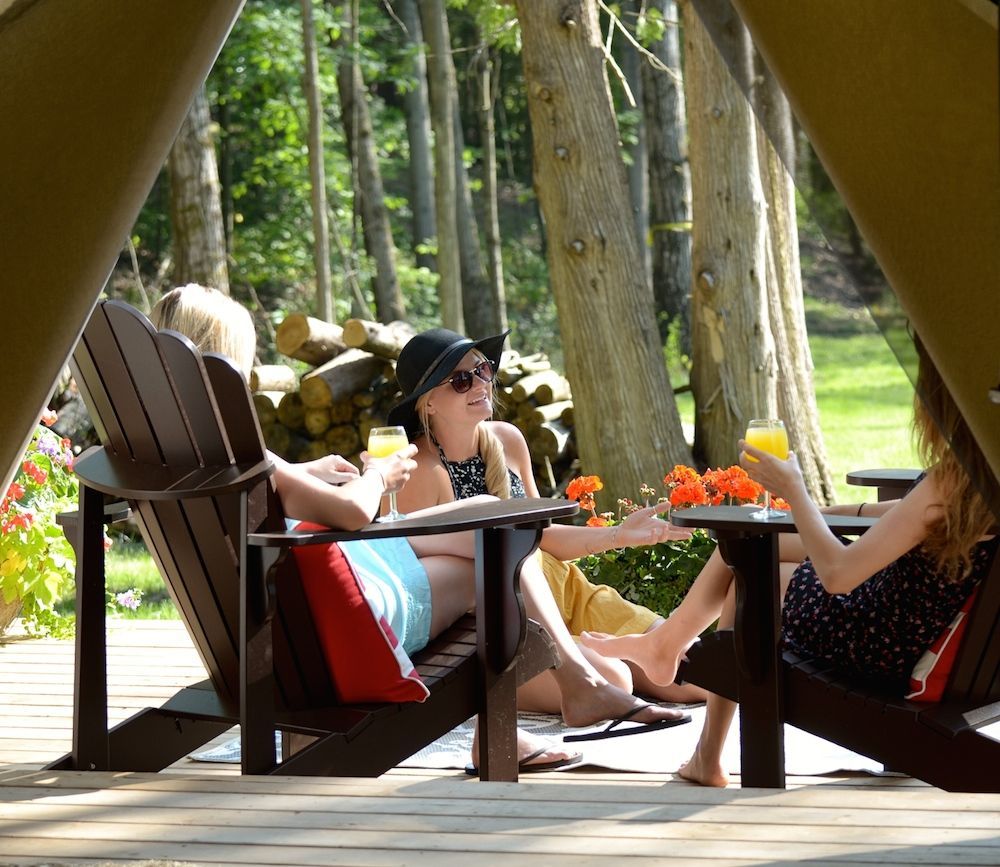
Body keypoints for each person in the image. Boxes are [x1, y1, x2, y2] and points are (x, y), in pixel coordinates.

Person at [151, 285, 689, 773]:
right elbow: (353, 514)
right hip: (340, 624)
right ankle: (562, 692)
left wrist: (306, 471)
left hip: (283, 623)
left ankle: (570, 686)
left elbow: (277, 486)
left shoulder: (172, 446)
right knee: (496, 535)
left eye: (483, 372)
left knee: (488, 513)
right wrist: (377, 475)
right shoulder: (238, 448)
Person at [582, 338, 999, 786]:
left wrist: (794, 490)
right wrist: (814, 514)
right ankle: (670, 658)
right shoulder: (983, 469)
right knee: (754, 546)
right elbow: (907, 515)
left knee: (749, 576)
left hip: (879, 641)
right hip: (924, 634)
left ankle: (696, 726)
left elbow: (839, 575)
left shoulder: (953, 479)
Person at [387, 327, 708, 712]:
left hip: (565, 590)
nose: (480, 384)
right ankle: (599, 659)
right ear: (428, 405)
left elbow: (542, 536)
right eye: (460, 381)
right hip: (500, 623)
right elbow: (429, 584)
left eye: (483, 370)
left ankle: (619, 651)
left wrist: (619, 535)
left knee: (701, 673)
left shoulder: (507, 441)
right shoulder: (421, 470)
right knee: (616, 679)